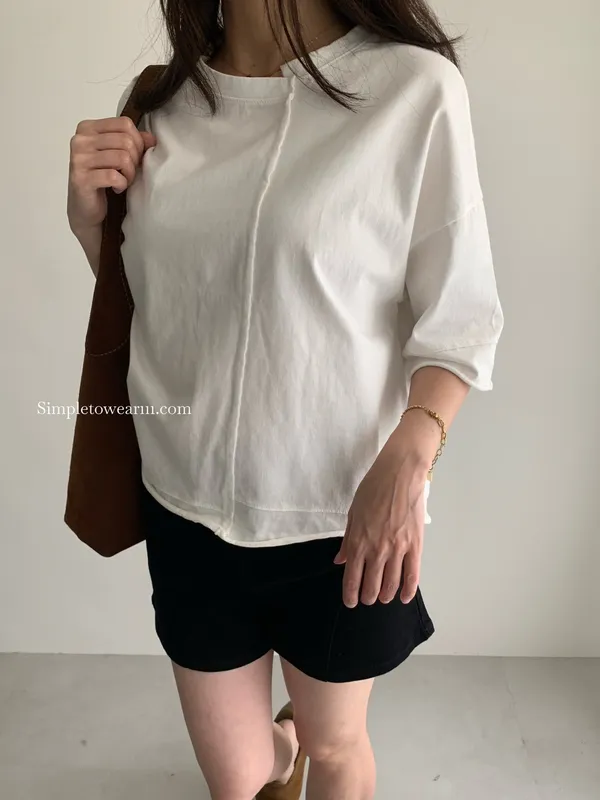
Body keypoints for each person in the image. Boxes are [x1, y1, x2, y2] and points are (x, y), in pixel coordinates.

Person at [67, 1, 503, 798]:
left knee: (336, 750)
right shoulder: (162, 104)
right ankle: (283, 743)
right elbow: (164, 298)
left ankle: (306, 737)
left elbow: (460, 321)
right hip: (186, 502)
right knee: (238, 777)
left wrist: (411, 457)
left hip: (340, 516)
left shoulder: (412, 90)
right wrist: (91, 222)